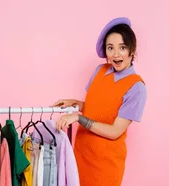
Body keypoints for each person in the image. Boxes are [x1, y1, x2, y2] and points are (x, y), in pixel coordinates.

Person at [51, 17, 147, 186]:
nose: (116, 54)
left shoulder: (136, 87)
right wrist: (75, 104)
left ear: (132, 50)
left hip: (105, 165)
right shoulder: (100, 71)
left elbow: (114, 131)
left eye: (122, 48)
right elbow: (98, 108)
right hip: (81, 155)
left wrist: (79, 118)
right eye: (110, 48)